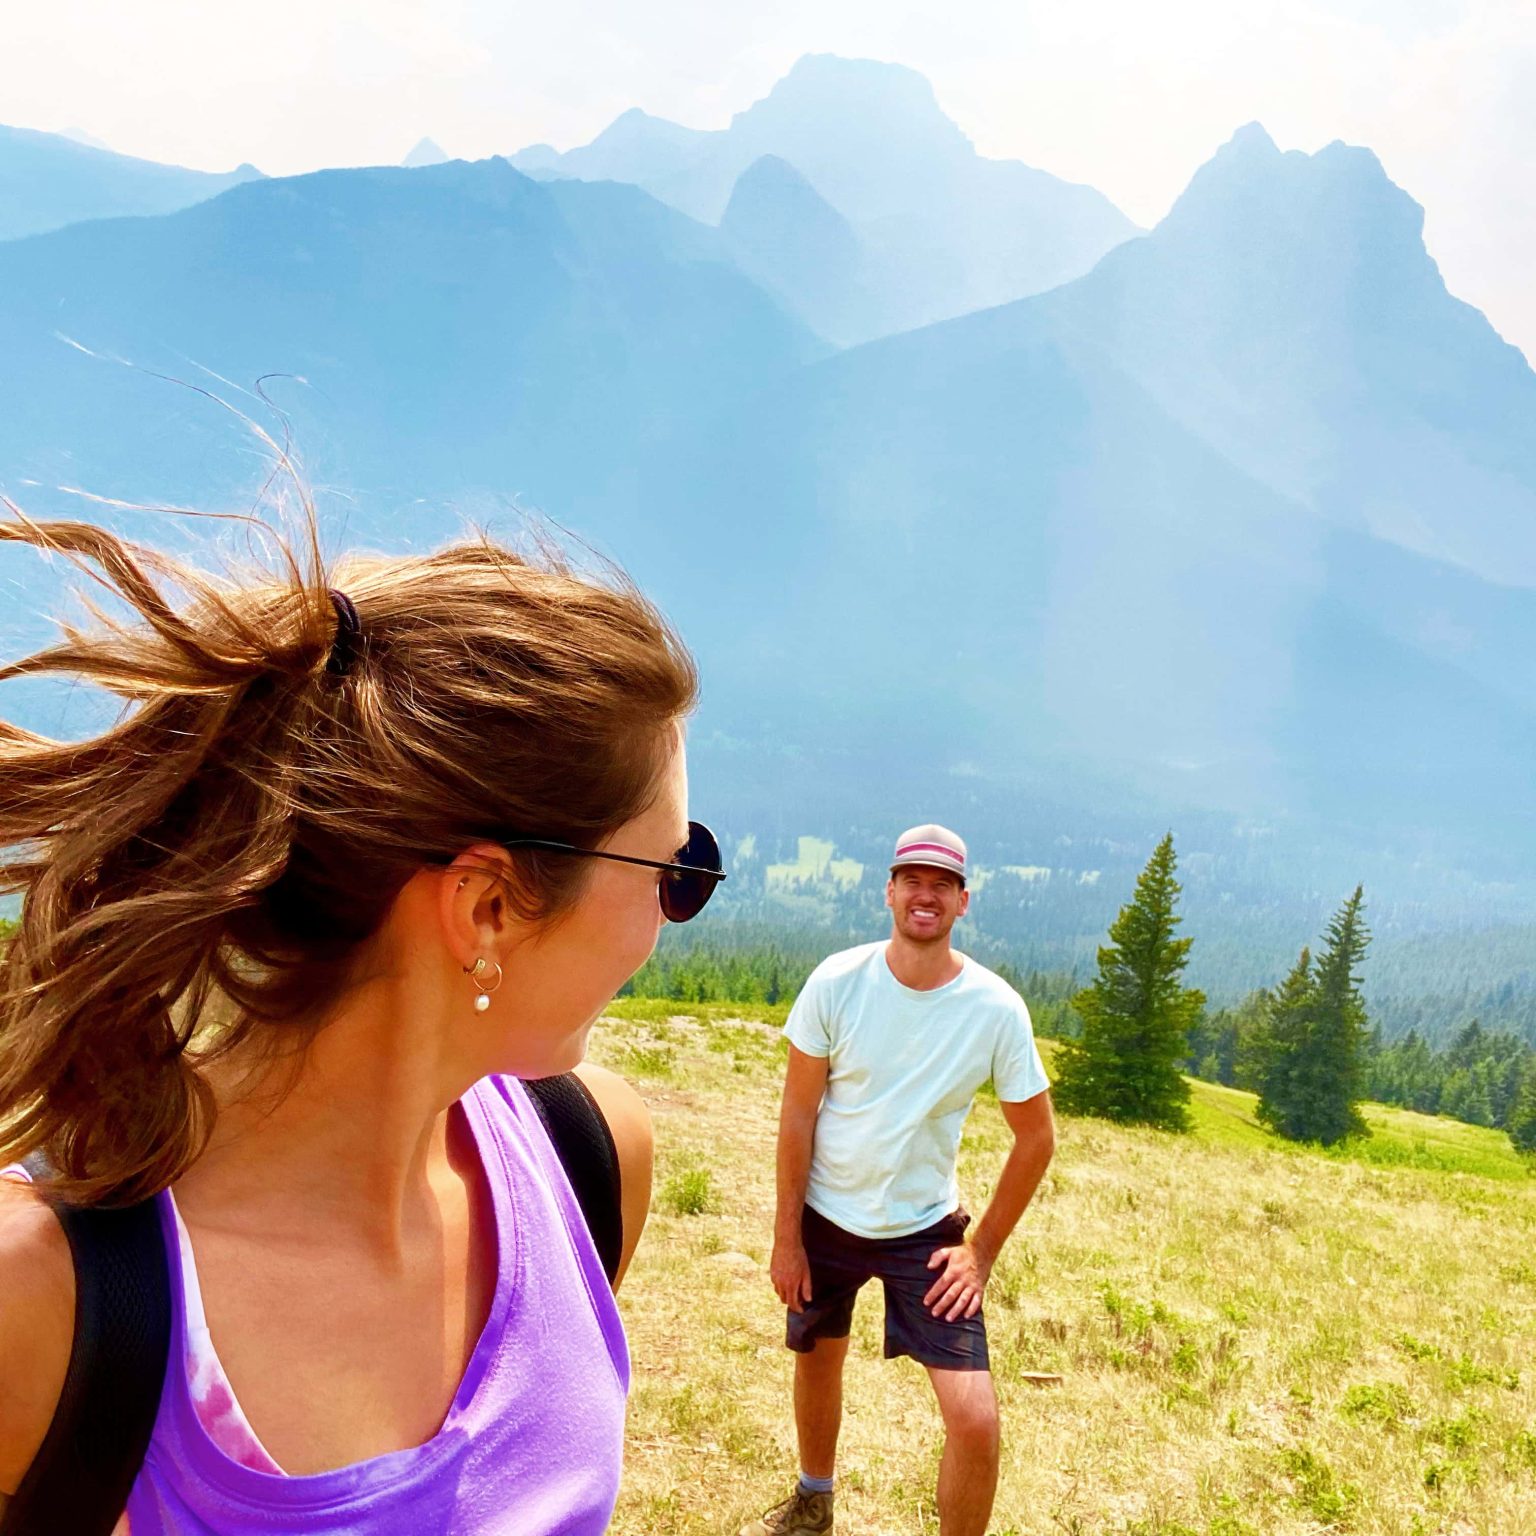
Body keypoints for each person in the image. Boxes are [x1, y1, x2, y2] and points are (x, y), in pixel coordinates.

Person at [0, 507, 724, 1533]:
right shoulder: (48, 1299)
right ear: (488, 908)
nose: (674, 916)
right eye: (678, 870)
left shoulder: (594, 1157)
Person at [744, 825, 1056, 1536]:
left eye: (941, 884)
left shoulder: (995, 1009)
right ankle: (813, 1499)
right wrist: (786, 1237)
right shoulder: (837, 982)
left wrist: (981, 1252)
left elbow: (1037, 1138)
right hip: (826, 1214)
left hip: (927, 1231)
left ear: (962, 902)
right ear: (889, 891)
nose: (925, 894)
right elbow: (797, 1115)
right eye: (912, 879)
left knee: (974, 1419)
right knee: (818, 1356)